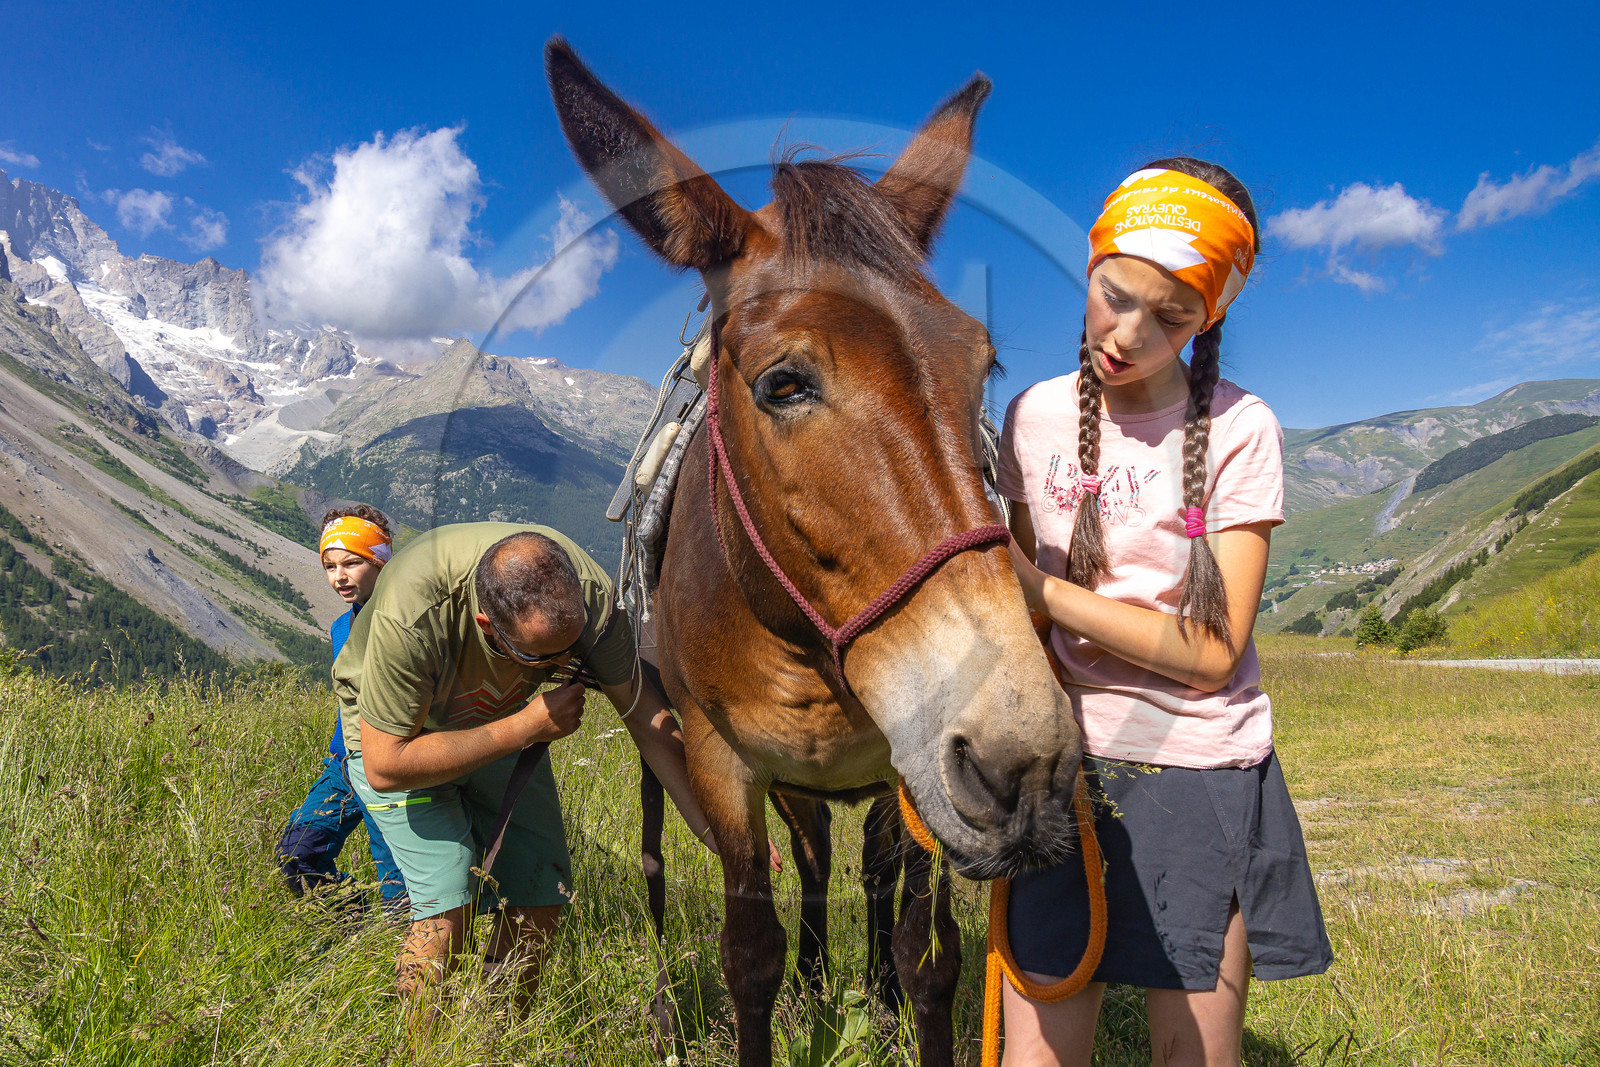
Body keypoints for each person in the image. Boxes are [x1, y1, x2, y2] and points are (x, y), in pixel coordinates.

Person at [996, 159, 1332, 1066]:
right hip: (1060, 764)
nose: (1128, 334)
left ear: (1208, 319)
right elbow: (1021, 620)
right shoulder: (1031, 417)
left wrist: (1046, 593)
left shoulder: (1239, 428)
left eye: (1172, 317)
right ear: (1091, 268)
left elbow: (1215, 653)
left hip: (1195, 769)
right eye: (1113, 296)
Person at [336, 521, 716, 1018]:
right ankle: (423, 1050)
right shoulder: (413, 612)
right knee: (448, 901)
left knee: (540, 894)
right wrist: (525, 727)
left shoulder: (590, 599)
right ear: (486, 625)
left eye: (572, 648)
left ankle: (495, 1037)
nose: (566, 663)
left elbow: (644, 714)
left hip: (499, 717)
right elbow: (387, 765)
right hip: (402, 736)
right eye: (543, 657)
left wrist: (716, 826)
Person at [276, 506, 408, 910]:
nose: (339, 577)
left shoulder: (406, 621)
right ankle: (356, 925)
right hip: (347, 763)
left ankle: (393, 936)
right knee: (297, 855)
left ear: (380, 561)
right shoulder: (340, 628)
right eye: (330, 567)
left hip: (394, 767)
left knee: (399, 885)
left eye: (352, 563)